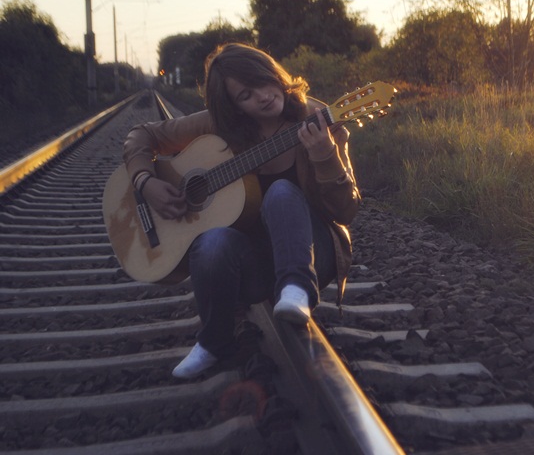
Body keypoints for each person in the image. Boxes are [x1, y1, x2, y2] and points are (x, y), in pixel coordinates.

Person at [122, 43, 360, 378]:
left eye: (263, 82)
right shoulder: (218, 127)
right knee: (212, 242)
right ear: (234, 108)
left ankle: (296, 291)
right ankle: (213, 342)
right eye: (246, 96)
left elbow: (346, 211)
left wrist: (324, 155)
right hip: (251, 268)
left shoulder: (318, 119)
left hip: (310, 253)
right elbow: (140, 136)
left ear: (275, 74)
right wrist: (146, 181)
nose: (263, 96)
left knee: (280, 192)